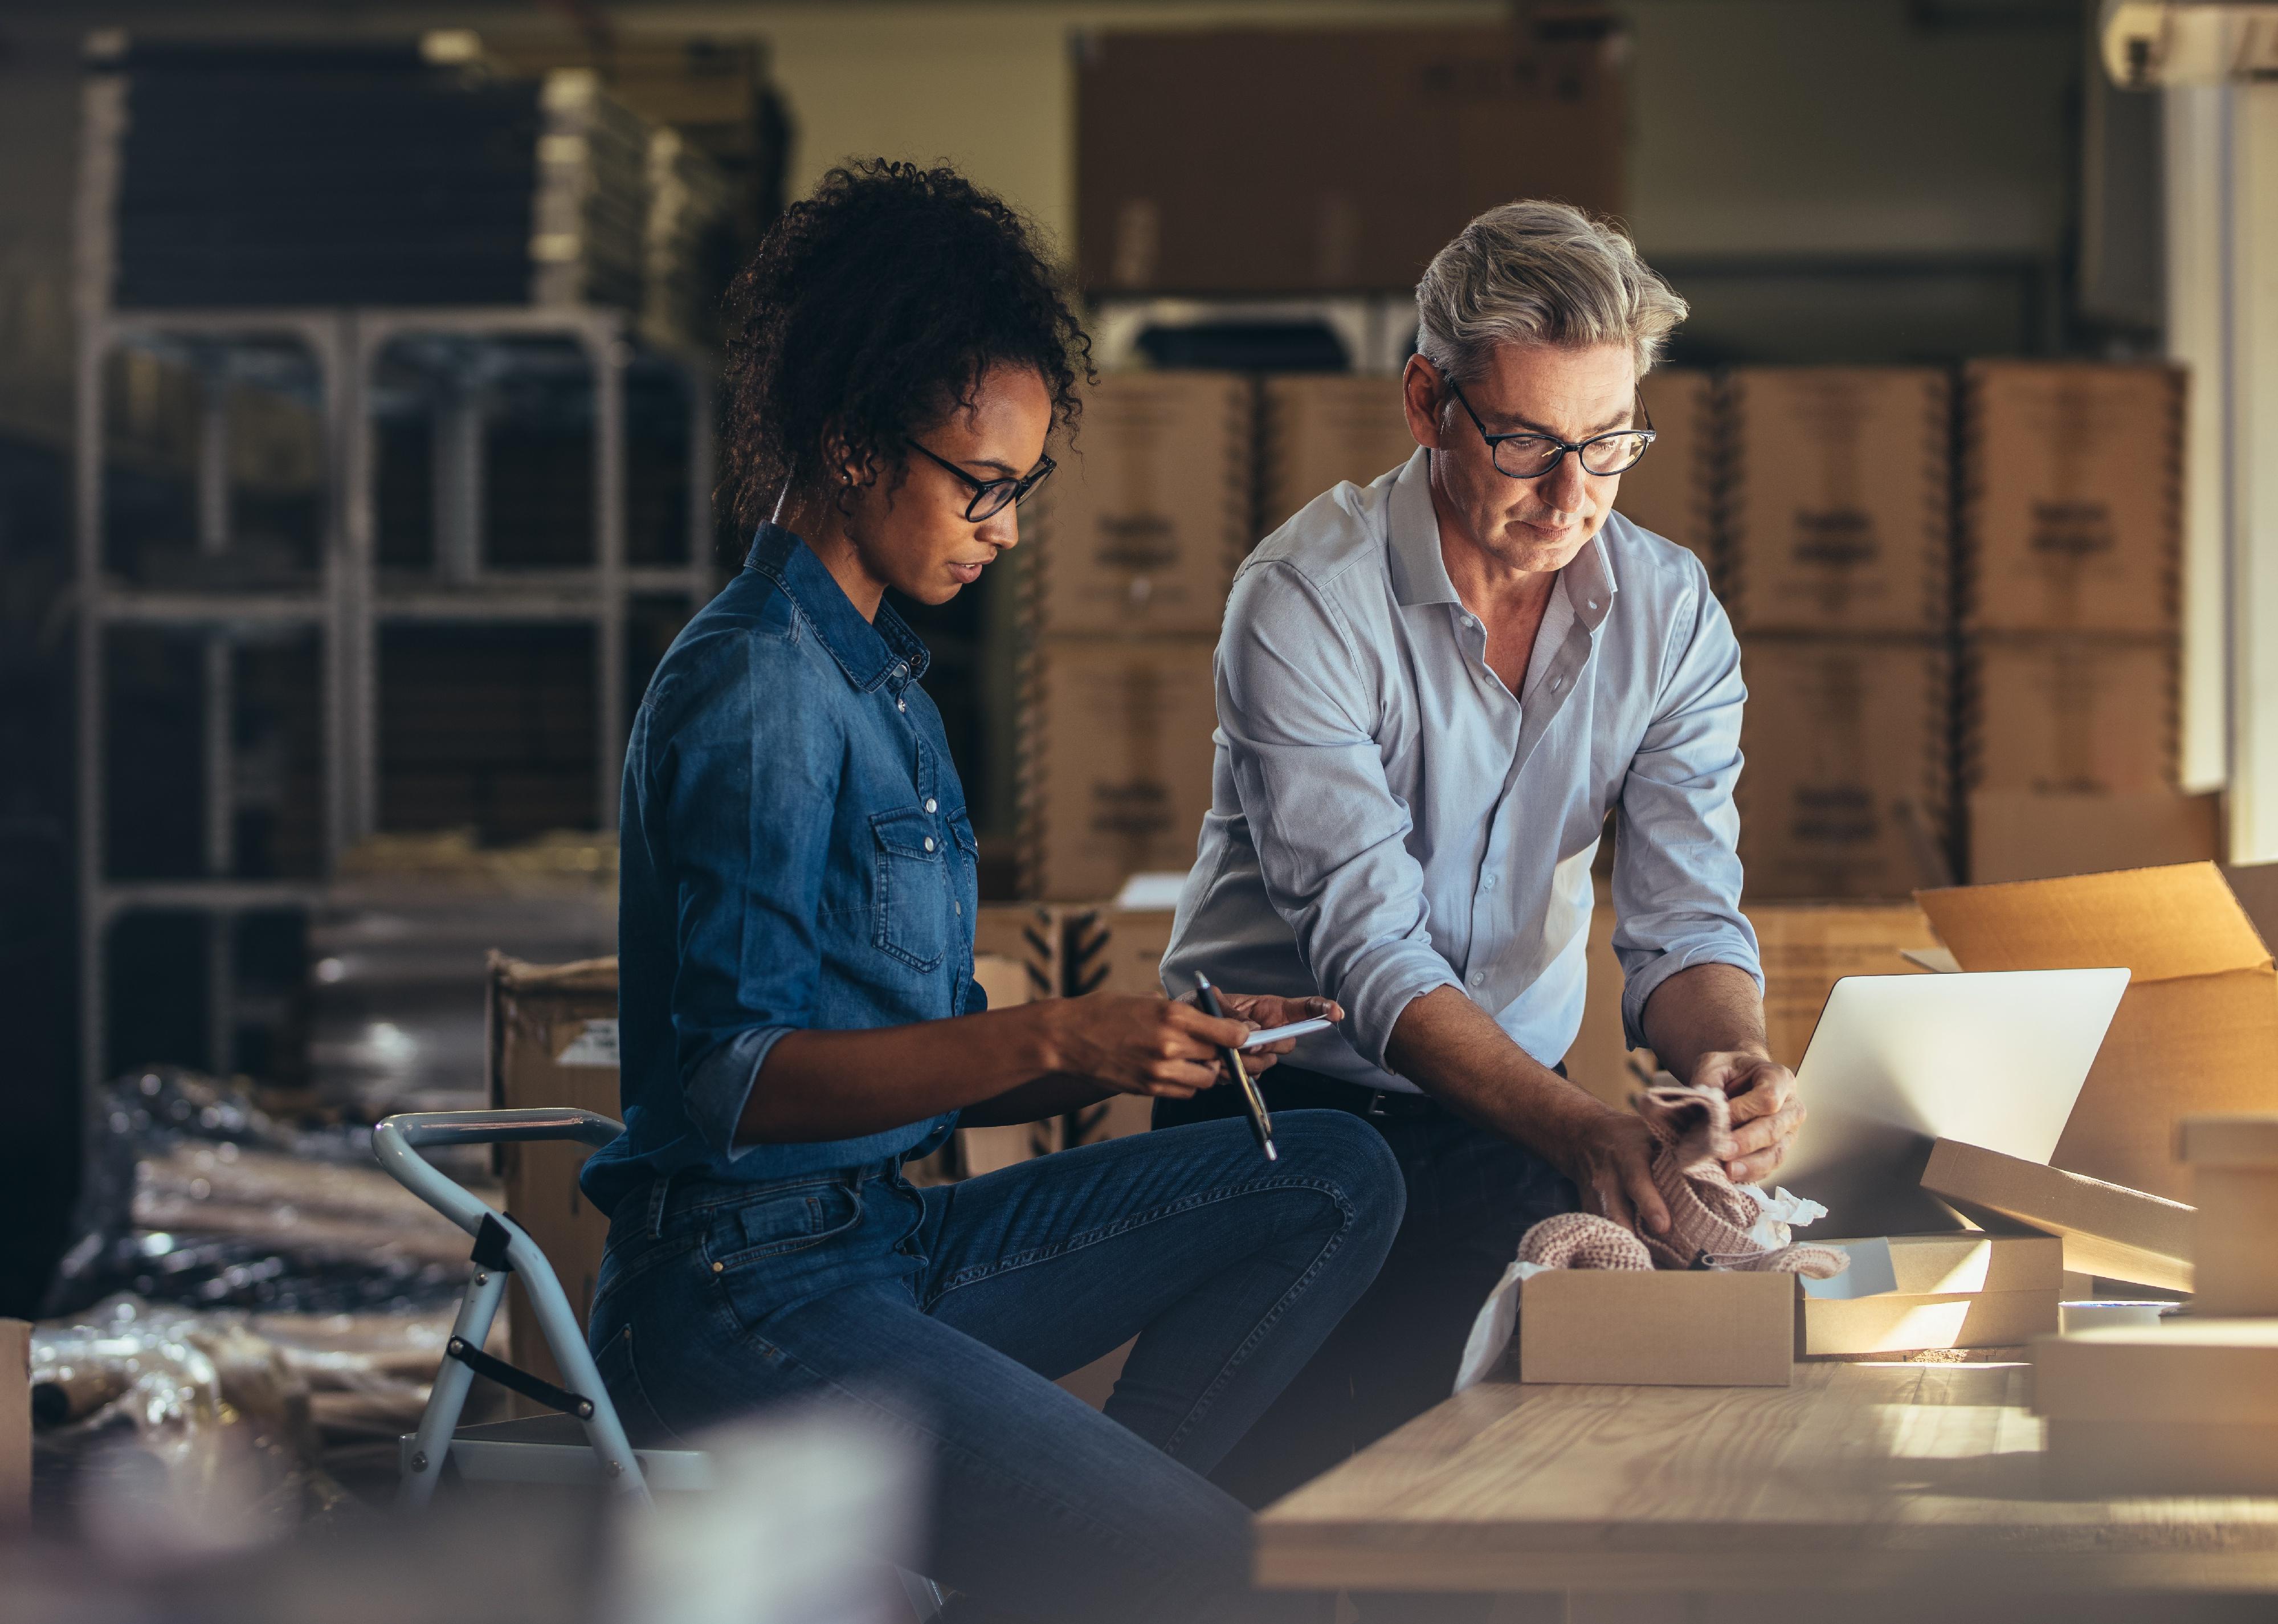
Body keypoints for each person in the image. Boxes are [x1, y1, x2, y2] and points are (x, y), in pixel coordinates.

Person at [579, 160, 1403, 1624]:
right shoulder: (762, 684)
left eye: (1020, 489)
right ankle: (1110, 1557)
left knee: (1333, 1170)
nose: (1005, 528)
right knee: (1208, 1564)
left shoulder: (883, 680)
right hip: (737, 1296)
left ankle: (1074, 1558)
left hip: (882, 1243)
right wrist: (1058, 1040)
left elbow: (929, 1073)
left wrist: (1161, 1034)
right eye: (981, 485)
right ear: (846, 444)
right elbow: (732, 1081)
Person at [1157, 201, 1808, 1522]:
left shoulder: (1669, 615)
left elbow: (1684, 921)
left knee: (1498, 1505)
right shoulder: (1305, 600)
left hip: (1505, 1112)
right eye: (1525, 443)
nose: (1571, 496)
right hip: (1274, 1123)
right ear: (1426, 401)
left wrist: (1727, 1060)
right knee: (1253, 1529)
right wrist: (1576, 1127)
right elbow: (1369, 953)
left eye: (1610, 444)